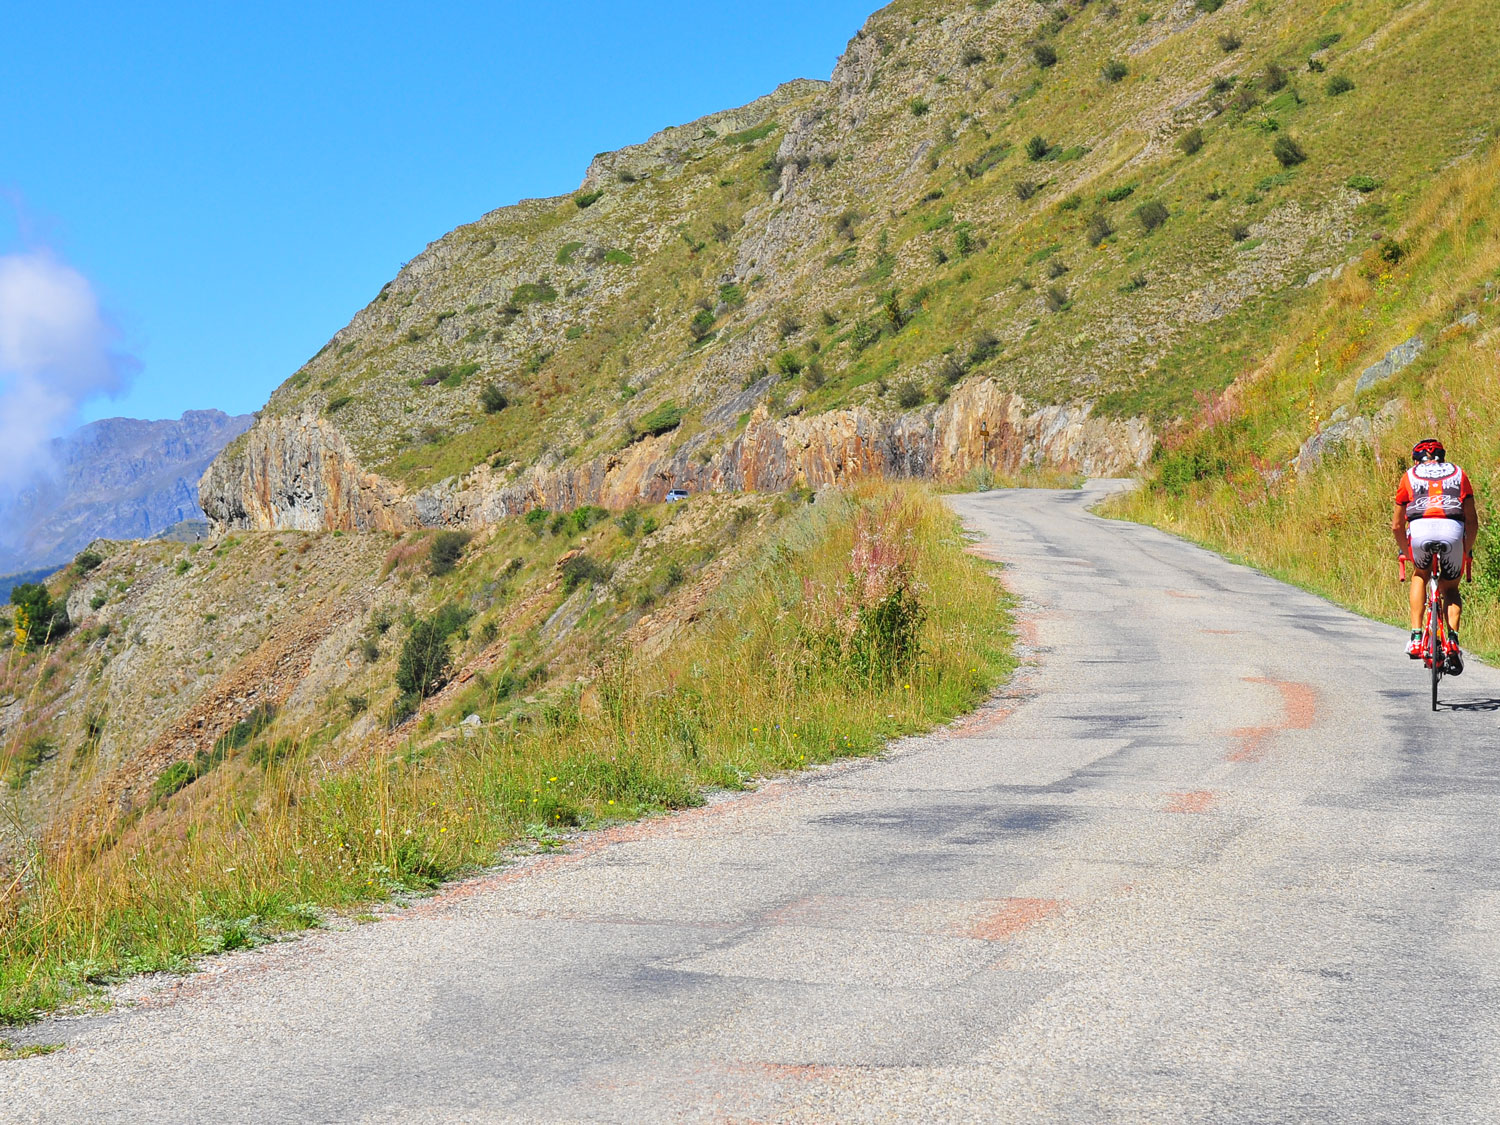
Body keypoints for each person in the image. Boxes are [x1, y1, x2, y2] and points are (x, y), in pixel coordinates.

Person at [1393, 438, 1477, 673]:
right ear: (1443, 457)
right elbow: (1472, 520)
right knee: (1450, 588)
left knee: (1420, 575)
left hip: (1420, 530)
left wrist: (1408, 553)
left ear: (1416, 460)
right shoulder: (1458, 473)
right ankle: (1453, 641)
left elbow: (1397, 525)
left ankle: (1416, 637)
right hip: (1452, 530)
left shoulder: (1409, 475)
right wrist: (1466, 550)